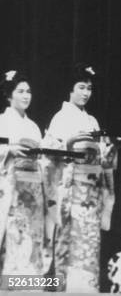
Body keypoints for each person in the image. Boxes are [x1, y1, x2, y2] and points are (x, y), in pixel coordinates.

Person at [44, 63, 116, 291]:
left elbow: (104, 158)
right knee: (69, 242)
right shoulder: (60, 118)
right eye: (82, 87)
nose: (86, 93)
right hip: (71, 189)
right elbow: (49, 154)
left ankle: (87, 289)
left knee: (89, 245)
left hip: (91, 194)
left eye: (89, 88)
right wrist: (70, 142)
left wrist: (110, 151)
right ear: (71, 90)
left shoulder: (92, 121)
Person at [0, 70, 55, 277]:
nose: (26, 96)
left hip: (34, 190)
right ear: (8, 95)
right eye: (20, 91)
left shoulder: (33, 126)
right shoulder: (2, 122)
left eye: (29, 91)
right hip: (12, 189)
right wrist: (8, 150)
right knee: (15, 239)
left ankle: (31, 286)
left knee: (34, 240)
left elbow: (42, 161)